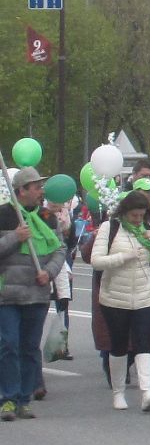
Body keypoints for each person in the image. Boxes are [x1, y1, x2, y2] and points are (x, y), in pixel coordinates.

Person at [91, 189, 150, 412]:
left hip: (144, 295)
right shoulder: (110, 228)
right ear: (124, 212)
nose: (137, 220)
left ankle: (147, 393)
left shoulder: (146, 230)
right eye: (133, 216)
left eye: (141, 215)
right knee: (118, 345)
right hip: (114, 298)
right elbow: (96, 261)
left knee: (143, 344)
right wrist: (123, 257)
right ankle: (118, 392)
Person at [0, 168, 66, 422]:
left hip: (37, 293)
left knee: (29, 348)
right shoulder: (4, 215)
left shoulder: (48, 217)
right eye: (36, 187)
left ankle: (25, 398)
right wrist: (15, 238)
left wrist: (48, 273)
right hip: (8, 294)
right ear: (22, 190)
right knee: (8, 346)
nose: (41, 191)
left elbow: (60, 249)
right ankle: (8, 398)